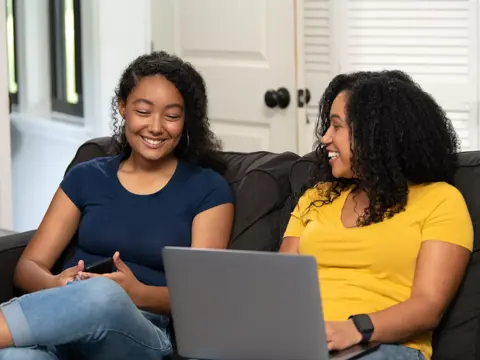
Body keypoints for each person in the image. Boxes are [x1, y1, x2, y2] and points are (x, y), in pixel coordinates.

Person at [0, 51, 234, 360]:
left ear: (185, 120)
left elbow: (202, 296)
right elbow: (28, 268)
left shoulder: (208, 189)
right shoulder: (87, 176)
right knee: (18, 358)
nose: (155, 126)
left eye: (172, 116)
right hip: (62, 325)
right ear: (122, 107)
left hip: (142, 334)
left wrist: (134, 293)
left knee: (103, 295)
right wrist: (58, 283)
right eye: (143, 111)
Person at [280, 70, 473, 360]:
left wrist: (355, 329)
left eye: (337, 127)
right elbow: (278, 282)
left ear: (376, 136)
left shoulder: (440, 200)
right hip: (301, 343)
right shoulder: (316, 197)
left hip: (382, 347)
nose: (325, 138)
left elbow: (428, 305)